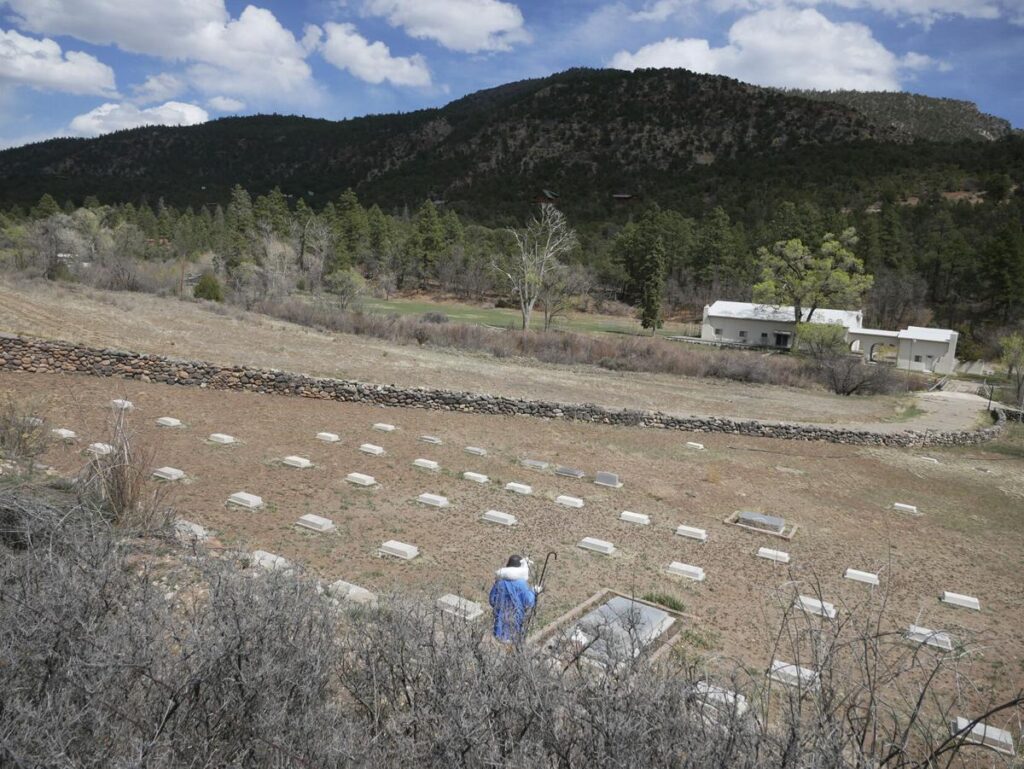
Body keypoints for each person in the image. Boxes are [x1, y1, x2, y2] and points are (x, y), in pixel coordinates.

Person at [488, 554, 540, 643]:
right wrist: (534, 592)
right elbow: (529, 602)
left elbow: (492, 600)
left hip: (499, 627)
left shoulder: (499, 582)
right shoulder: (522, 584)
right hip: (515, 626)